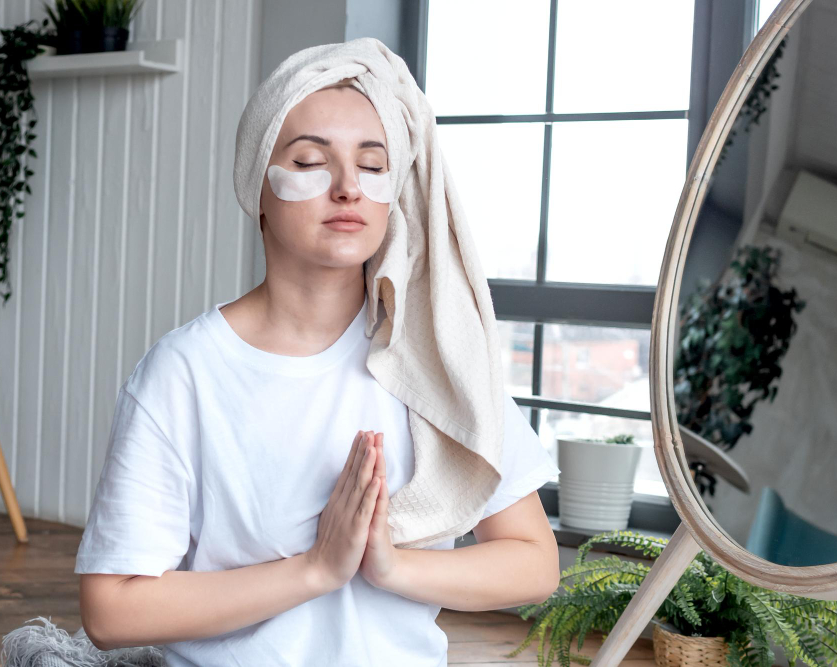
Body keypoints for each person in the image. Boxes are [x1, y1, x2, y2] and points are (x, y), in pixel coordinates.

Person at [74, 55, 561, 667]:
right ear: (258, 187)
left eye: (373, 165)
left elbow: (534, 563)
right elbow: (111, 611)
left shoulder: (435, 360)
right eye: (309, 161)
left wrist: (389, 566)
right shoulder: (184, 373)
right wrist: (315, 569)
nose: (348, 187)